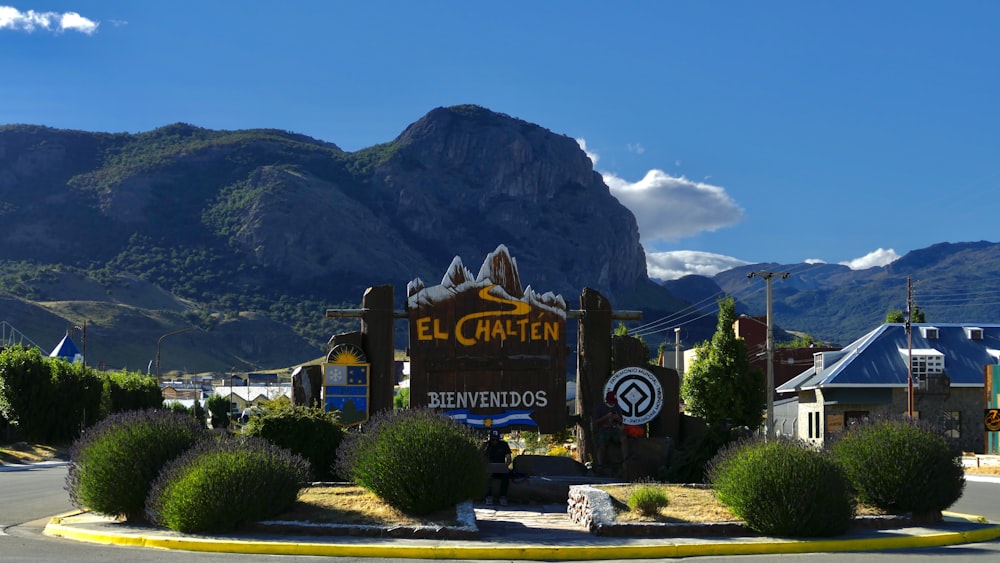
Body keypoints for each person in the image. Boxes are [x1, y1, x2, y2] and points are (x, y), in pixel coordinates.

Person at [593, 390, 629, 467]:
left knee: (623, 438)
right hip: (603, 429)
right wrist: (606, 417)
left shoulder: (617, 407)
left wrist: (617, 418)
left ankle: (625, 459)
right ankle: (600, 463)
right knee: (602, 443)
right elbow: (596, 421)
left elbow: (621, 422)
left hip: (614, 428)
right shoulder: (600, 407)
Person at [482, 428, 512, 506]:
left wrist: (505, 465)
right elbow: (481, 458)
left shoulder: (504, 445)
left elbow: (509, 459)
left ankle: (503, 496)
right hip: (489, 468)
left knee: (506, 475)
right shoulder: (486, 445)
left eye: (496, 440)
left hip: (501, 469)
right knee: (486, 476)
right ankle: (488, 496)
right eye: (493, 440)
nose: (494, 441)